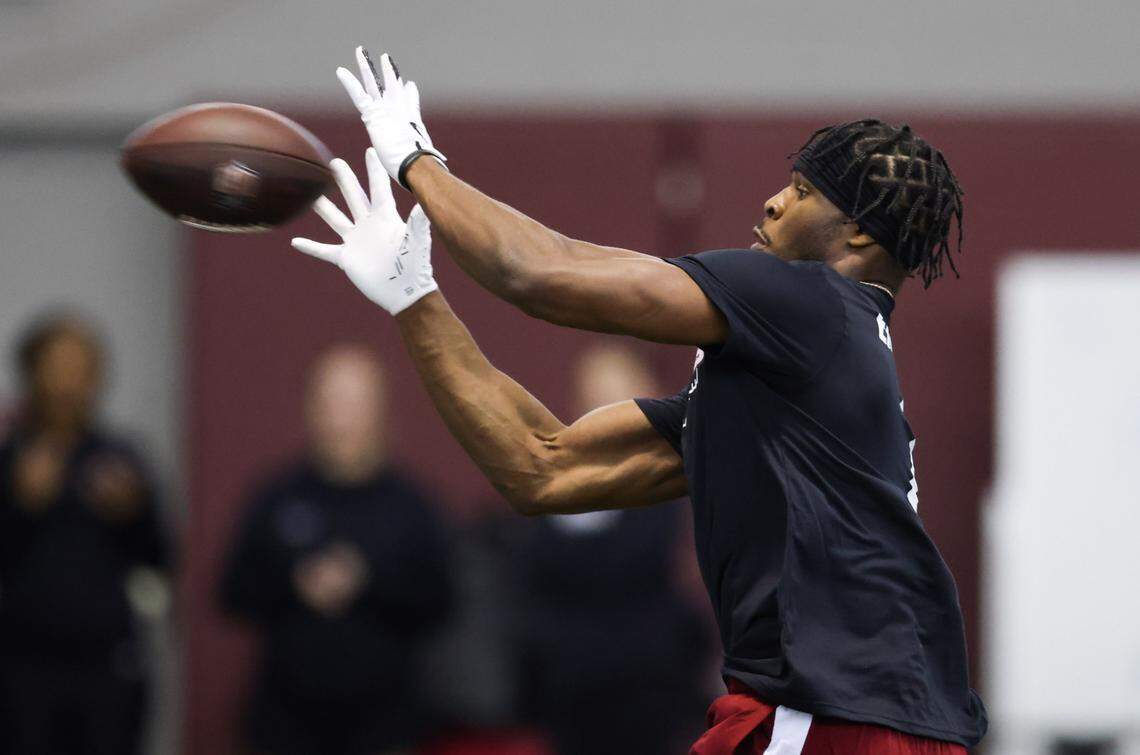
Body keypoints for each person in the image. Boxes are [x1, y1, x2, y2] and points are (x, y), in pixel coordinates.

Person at [289, 47, 987, 754]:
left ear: (859, 234)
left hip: (837, 715)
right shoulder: (804, 378)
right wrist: (416, 297)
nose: (774, 200)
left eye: (804, 191)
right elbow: (541, 467)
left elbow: (538, 273)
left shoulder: (812, 302)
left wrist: (416, 161)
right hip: (863, 713)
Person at [219, 344, 453, 755]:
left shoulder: (411, 505)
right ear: (310, 407)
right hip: (285, 723)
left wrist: (366, 582)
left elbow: (442, 601)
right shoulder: (277, 496)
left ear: (381, 410)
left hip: (384, 723)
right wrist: (295, 582)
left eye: (356, 402)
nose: (342, 416)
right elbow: (232, 592)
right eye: (332, 401)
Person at [508, 343, 711, 754]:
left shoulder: (677, 481)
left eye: (619, 402)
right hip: (568, 703)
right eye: (595, 402)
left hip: (650, 699)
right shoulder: (547, 487)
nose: (608, 416)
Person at [0, 314, 170, 755]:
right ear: (32, 373)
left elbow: (160, 561)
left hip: (107, 672)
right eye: (56, 368)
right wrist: (20, 505)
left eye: (80, 369)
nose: (67, 384)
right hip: (21, 671)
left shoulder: (122, 460)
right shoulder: (9, 457)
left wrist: (131, 515)